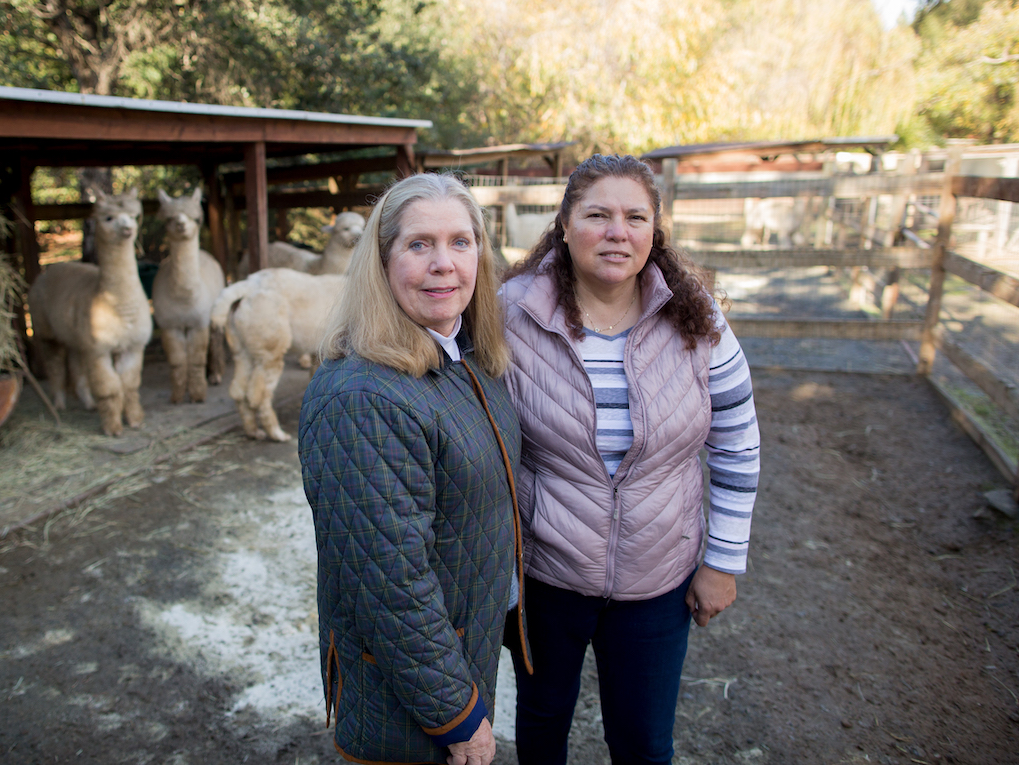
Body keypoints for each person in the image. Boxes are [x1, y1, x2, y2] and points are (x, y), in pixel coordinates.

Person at [498, 154, 760, 765]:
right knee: (541, 727)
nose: (618, 232)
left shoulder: (698, 320)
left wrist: (722, 562)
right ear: (565, 226)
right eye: (598, 215)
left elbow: (737, 444)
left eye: (635, 217)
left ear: (653, 231)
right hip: (545, 575)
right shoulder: (510, 313)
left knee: (643, 744)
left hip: (658, 576)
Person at [299, 172, 532, 765]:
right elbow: (390, 584)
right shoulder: (363, 396)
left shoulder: (463, 357)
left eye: (460, 242)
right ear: (381, 262)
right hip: (410, 696)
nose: (443, 264)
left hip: (458, 648)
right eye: (419, 244)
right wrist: (456, 715)